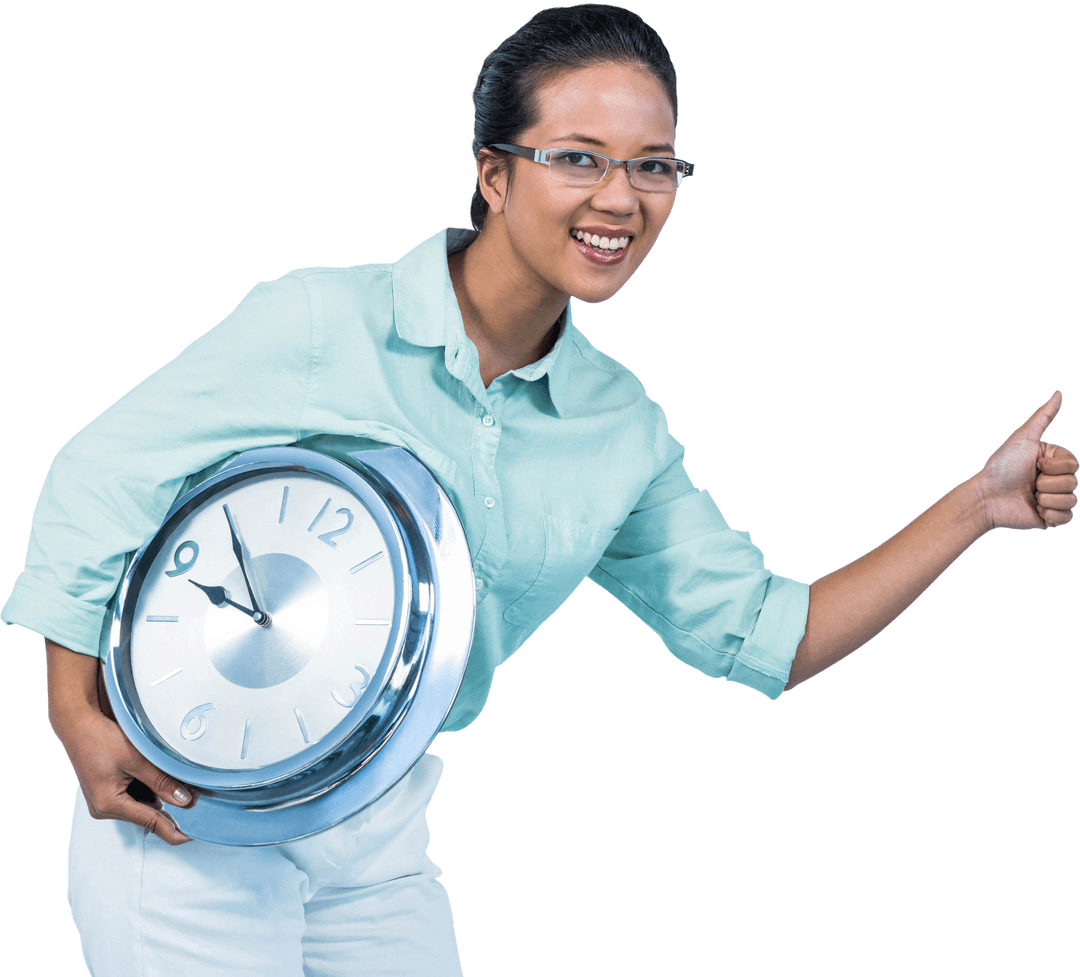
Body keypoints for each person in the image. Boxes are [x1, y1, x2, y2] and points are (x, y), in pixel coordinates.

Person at [2, 4, 1076, 976]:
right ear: (494, 173)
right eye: (579, 157)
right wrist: (70, 706)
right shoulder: (324, 322)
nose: (621, 198)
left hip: (378, 829)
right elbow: (105, 473)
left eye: (656, 167)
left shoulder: (619, 431)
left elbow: (766, 634)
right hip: (191, 813)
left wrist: (975, 505)